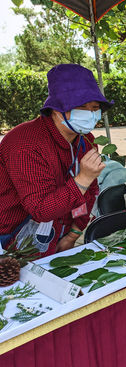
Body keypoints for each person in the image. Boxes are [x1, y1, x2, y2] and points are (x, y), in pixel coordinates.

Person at [0, 64, 113, 255]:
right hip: (14, 239)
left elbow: (92, 190)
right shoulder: (24, 143)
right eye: (81, 106)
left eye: (94, 108)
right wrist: (83, 178)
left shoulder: (86, 139)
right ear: (56, 109)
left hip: (60, 234)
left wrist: (73, 234)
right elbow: (41, 210)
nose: (90, 114)